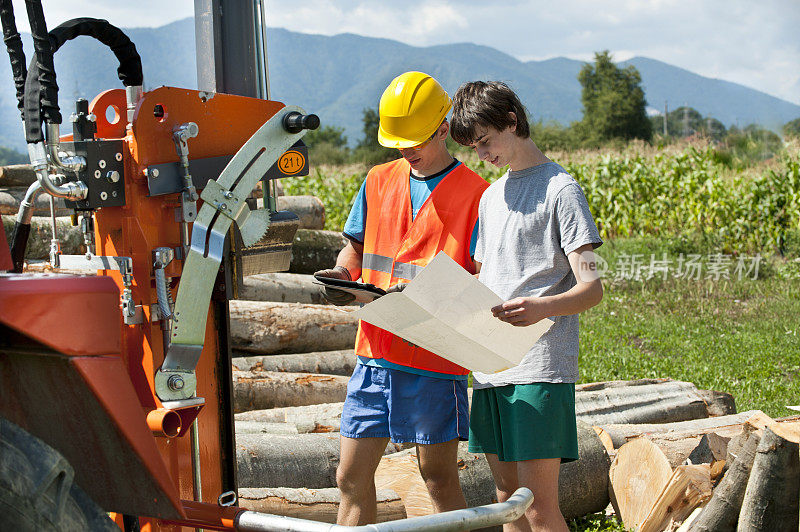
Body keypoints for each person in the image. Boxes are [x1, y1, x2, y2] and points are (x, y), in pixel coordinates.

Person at [314, 71, 489, 526]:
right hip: (374, 352)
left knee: (437, 479)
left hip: (434, 358)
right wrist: (342, 274)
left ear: (444, 129)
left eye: (416, 139)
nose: (405, 149)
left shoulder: (477, 195)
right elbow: (354, 247)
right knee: (349, 477)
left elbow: (482, 281)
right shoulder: (377, 180)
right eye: (398, 141)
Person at [449, 80, 604, 532]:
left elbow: (592, 288)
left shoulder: (562, 190)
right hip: (490, 367)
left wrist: (542, 307)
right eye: (473, 146)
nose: (482, 153)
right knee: (505, 505)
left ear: (511, 121)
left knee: (537, 507)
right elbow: (489, 275)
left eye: (485, 140)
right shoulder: (489, 197)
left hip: (539, 367)